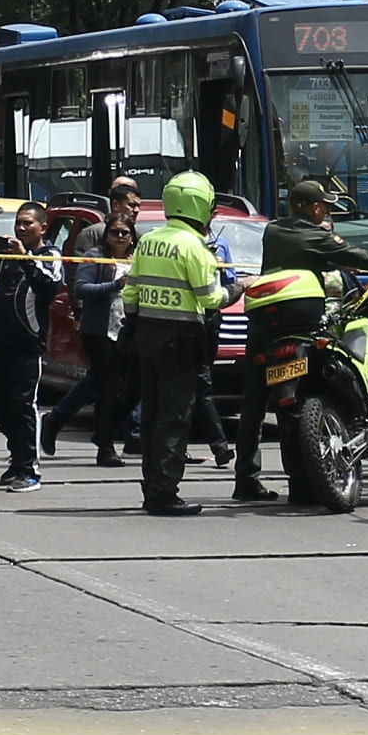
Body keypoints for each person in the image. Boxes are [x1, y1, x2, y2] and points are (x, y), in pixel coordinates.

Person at [231, 180, 353, 503]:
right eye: (324, 206)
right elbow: (353, 255)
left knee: (253, 406)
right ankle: (300, 485)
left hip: (263, 325)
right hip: (296, 328)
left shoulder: (273, 231)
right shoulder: (314, 235)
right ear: (315, 208)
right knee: (292, 404)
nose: (325, 211)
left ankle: (245, 480)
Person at [122, 170, 233, 516]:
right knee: (174, 417)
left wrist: (137, 323)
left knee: (152, 415)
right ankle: (164, 492)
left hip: (146, 338)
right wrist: (237, 289)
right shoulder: (195, 247)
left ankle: (151, 485)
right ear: (200, 206)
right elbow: (211, 298)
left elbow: (130, 292)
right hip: (180, 342)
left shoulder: (149, 240)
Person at [0, 202, 61, 491]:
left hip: (26, 343)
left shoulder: (49, 255)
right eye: (18, 223)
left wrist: (25, 258)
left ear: (43, 227)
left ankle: (29, 469)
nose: (21, 228)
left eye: (28, 223)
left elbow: (50, 285)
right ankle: (17, 457)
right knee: (0, 406)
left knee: (23, 405)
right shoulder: (9, 256)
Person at [47, 218, 138, 465]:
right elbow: (82, 289)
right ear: (106, 235)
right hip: (99, 331)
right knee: (107, 386)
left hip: (127, 331)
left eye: (125, 233)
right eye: (115, 232)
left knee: (126, 386)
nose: (120, 237)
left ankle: (57, 418)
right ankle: (105, 447)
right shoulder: (95, 257)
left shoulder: (137, 260)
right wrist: (115, 285)